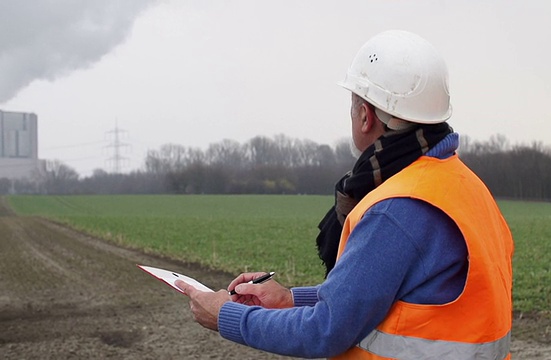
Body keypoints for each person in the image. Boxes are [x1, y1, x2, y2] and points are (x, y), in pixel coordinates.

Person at [176, 29, 514, 359]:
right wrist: (291, 299)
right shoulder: (463, 185)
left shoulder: (397, 210)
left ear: (365, 116)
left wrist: (226, 316)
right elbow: (381, 297)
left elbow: (325, 330)